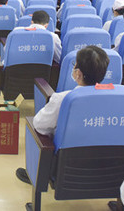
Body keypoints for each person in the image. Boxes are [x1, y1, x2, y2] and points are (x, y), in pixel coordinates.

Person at [15, 46, 109, 184]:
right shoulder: (114, 100)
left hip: (66, 166)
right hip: (103, 167)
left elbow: (40, 125)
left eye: (75, 65)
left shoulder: (63, 99)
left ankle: (36, 175)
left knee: (36, 127)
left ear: (78, 74)